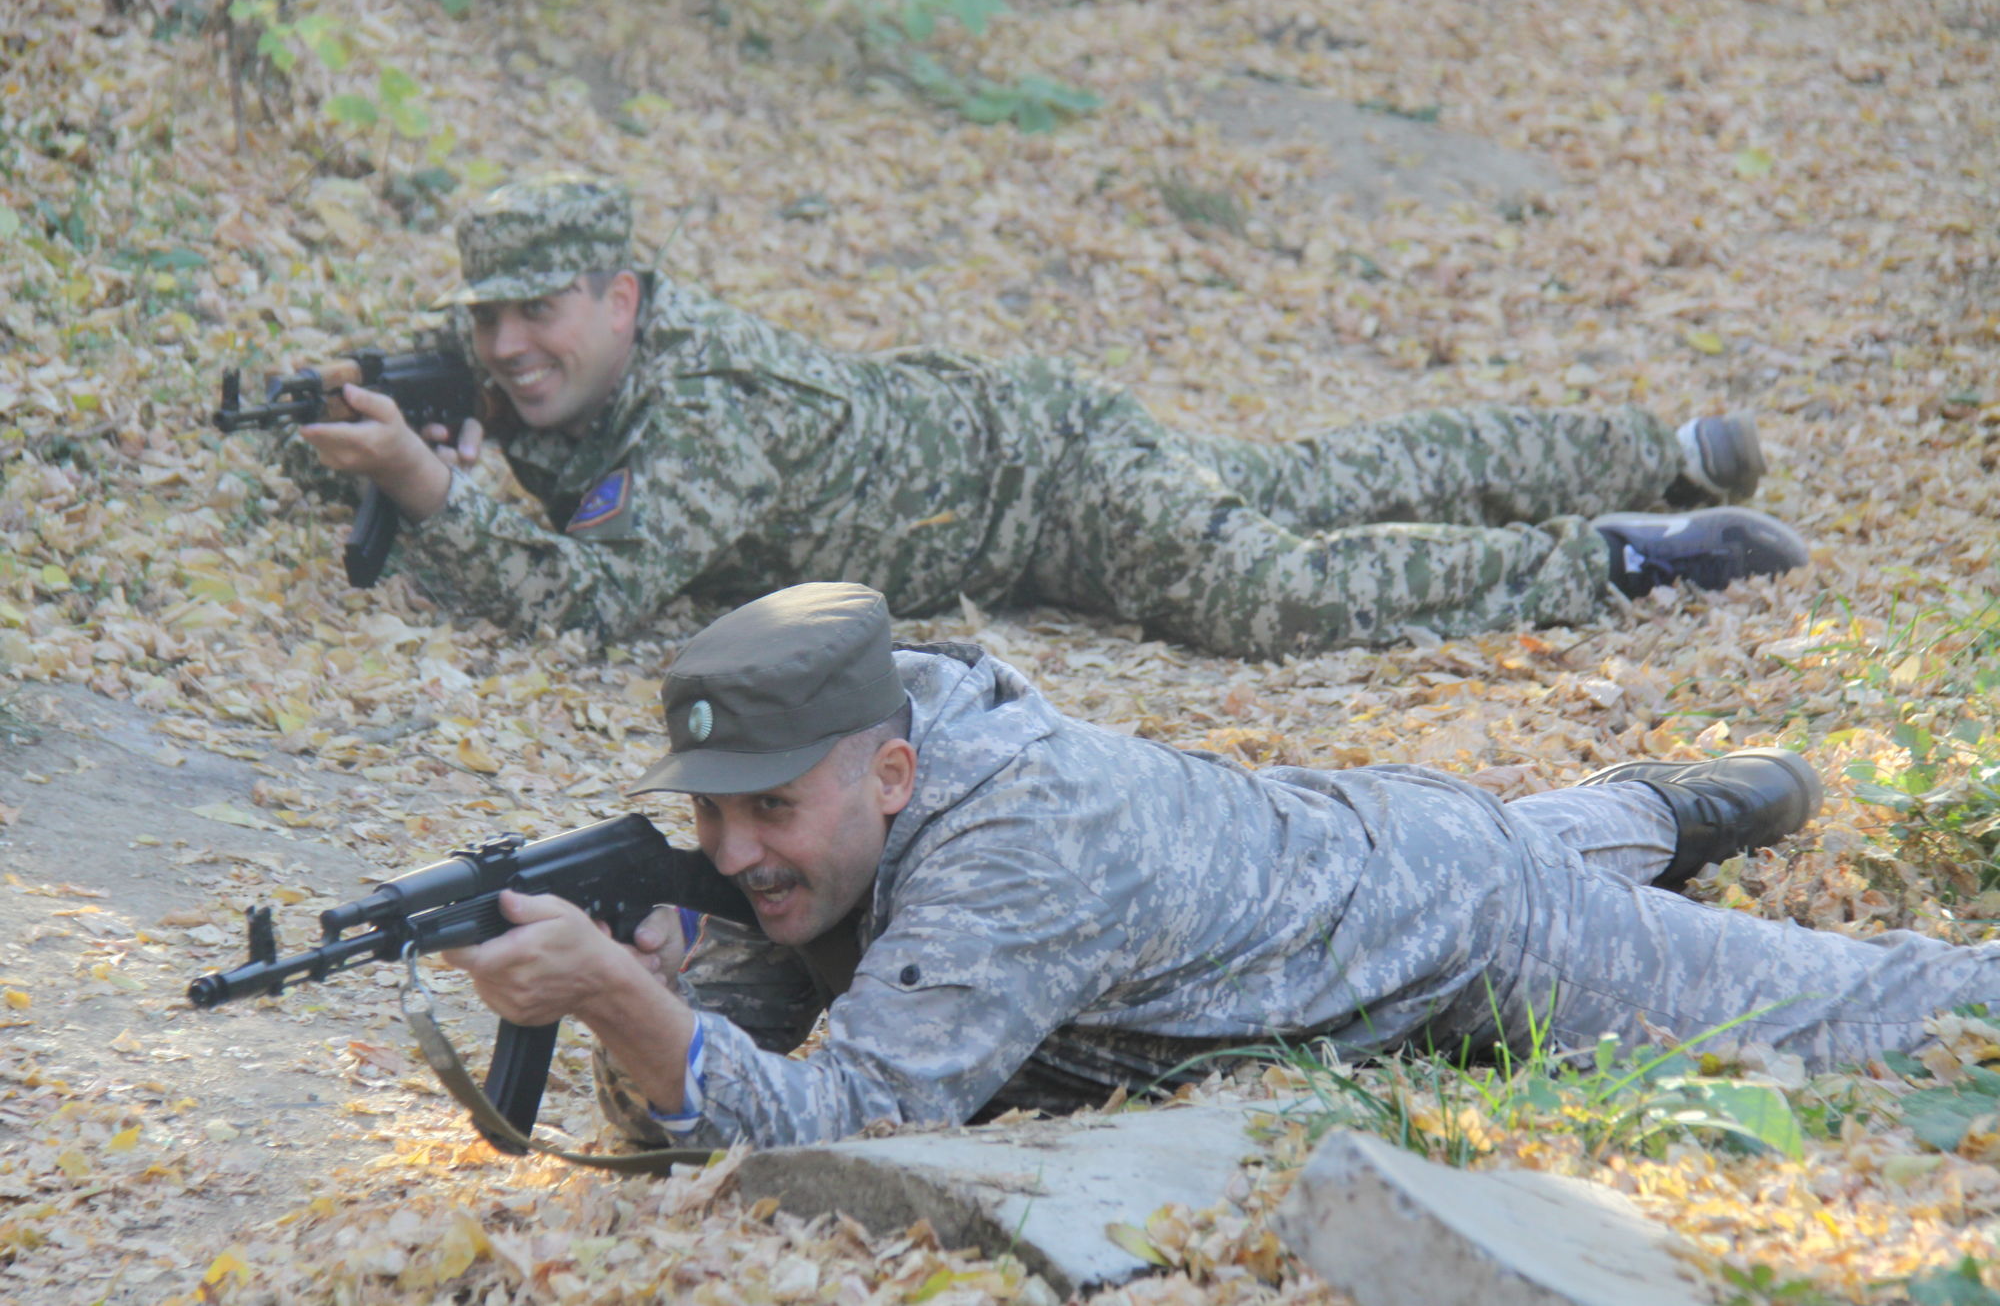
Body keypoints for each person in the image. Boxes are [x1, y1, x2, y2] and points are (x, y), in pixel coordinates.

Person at [442, 582, 2000, 1151]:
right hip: (1335, 836)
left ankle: (1638, 826)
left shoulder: (1015, 850)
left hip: (1453, 928)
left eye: (768, 812)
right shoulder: (859, 773)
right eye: (709, 816)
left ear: (891, 775)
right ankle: (1649, 808)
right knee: (1467, 832)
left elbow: (844, 1114)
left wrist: (621, 1004)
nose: (732, 854)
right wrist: (669, 985)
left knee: (1870, 1011)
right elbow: (744, 1042)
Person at [291, 174, 1809, 661]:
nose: (506, 347)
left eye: (537, 314)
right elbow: (521, 419)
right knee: (1316, 477)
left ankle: (1622, 553)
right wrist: (420, 418)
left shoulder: (710, 412)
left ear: (623, 297)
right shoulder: (574, 361)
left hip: (1049, 480)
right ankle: (1660, 443)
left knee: (1273, 593)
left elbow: (589, 608)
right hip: (1008, 459)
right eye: (484, 320)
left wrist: (433, 493)